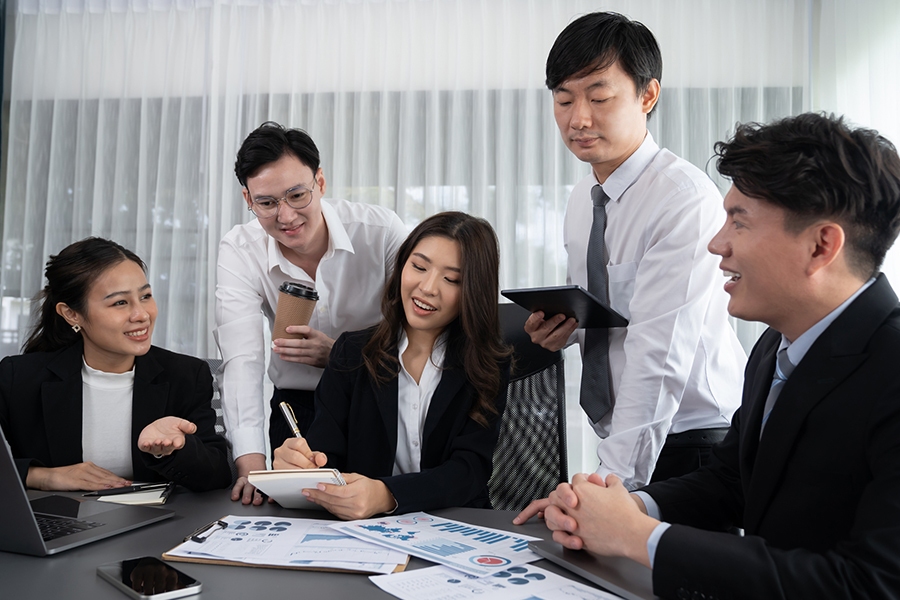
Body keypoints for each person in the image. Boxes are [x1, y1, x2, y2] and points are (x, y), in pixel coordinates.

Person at [541, 113, 900, 598]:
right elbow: (733, 482)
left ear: (821, 246)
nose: (716, 244)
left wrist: (638, 537)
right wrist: (630, 508)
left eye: (739, 222)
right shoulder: (775, 346)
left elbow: (869, 584)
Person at [516, 12, 745, 523]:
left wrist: (609, 483)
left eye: (599, 98)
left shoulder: (682, 200)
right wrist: (566, 328)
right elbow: (614, 313)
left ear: (647, 96)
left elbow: (657, 355)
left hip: (691, 444)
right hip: (629, 436)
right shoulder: (584, 196)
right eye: (563, 99)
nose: (578, 118)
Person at [272, 212, 511, 519]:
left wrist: (388, 495)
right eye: (419, 267)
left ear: (473, 291)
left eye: (451, 279)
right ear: (402, 267)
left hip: (456, 523)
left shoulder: (488, 365)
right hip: (364, 530)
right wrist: (299, 465)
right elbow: (325, 454)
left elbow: (469, 470)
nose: (427, 287)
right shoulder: (350, 353)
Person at [216, 122, 406, 505]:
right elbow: (243, 360)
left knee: (382, 510)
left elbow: (420, 330)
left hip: (379, 398)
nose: (285, 217)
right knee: (297, 517)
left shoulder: (380, 231)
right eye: (266, 203)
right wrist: (251, 465)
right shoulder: (240, 248)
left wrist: (340, 355)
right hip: (296, 410)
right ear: (247, 199)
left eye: (296, 195)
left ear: (320, 182)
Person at [0, 237, 231, 492]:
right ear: (71, 314)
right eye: (120, 302)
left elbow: (218, 475)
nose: (142, 314)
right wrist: (44, 477)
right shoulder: (17, 378)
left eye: (145, 296)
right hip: (56, 524)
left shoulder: (186, 375)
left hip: (154, 525)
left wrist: (174, 449)